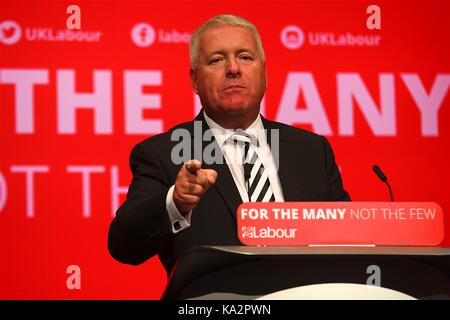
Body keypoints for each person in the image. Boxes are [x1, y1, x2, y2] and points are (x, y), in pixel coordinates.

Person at [108, 14, 350, 275]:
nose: (234, 68)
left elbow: (349, 241)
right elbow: (124, 245)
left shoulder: (311, 151)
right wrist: (175, 203)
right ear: (195, 80)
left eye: (245, 57)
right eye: (217, 60)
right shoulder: (163, 154)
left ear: (264, 72)